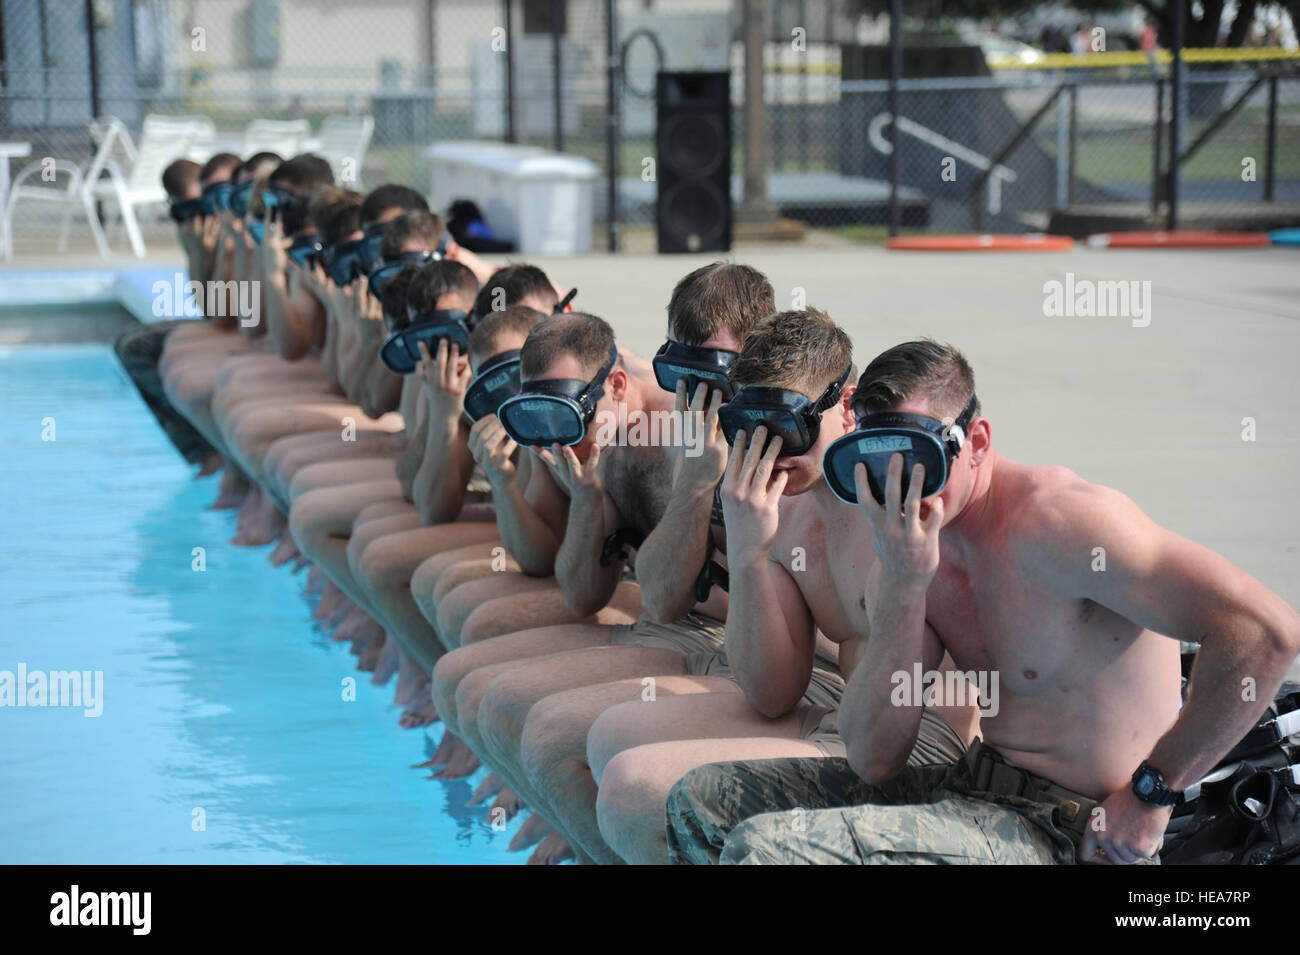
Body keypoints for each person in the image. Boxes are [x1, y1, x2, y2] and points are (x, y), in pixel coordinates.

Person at [667, 339, 1300, 865]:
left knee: (772, 853)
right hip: (978, 785)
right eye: (879, 467)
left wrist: (1154, 793)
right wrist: (905, 590)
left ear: (976, 441)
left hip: (1077, 831)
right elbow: (874, 756)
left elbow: (1266, 633)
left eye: (920, 462)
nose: (903, 492)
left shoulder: (1065, 523)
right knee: (703, 801)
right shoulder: (904, 540)